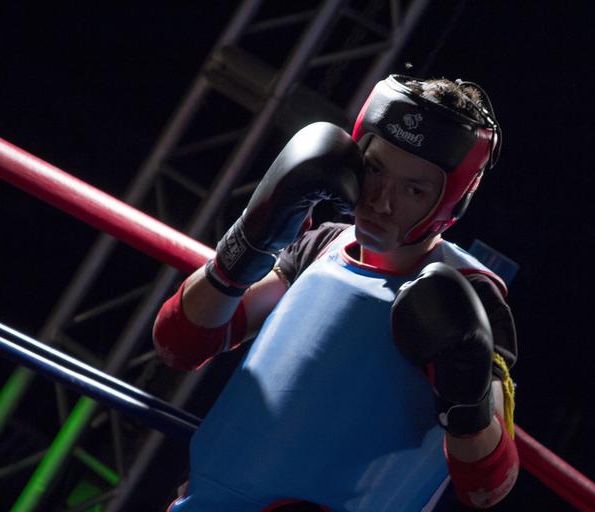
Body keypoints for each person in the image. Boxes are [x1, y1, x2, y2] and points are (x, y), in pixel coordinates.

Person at [153, 75, 518, 511]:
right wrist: (247, 242)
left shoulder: (473, 294)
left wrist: (467, 403)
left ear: (451, 201)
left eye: (414, 189)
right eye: (375, 169)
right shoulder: (322, 245)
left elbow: (488, 485)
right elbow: (180, 343)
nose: (381, 202)